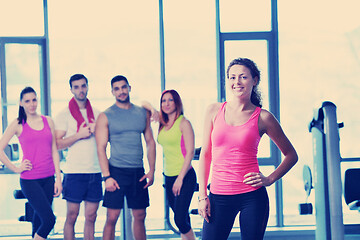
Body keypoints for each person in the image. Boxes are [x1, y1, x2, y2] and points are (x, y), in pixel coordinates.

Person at [198, 58, 298, 240]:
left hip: (252, 197)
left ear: (255, 80)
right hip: (218, 196)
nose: (237, 82)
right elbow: (205, 155)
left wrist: (269, 179)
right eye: (232, 77)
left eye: (243, 77)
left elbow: (291, 155)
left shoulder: (264, 118)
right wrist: (202, 196)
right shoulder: (213, 110)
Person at [95, 75, 156, 240]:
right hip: (116, 171)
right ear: (112, 92)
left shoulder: (142, 113)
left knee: (140, 215)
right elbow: (101, 148)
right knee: (112, 217)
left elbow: (150, 142)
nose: (121, 91)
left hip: (138, 171)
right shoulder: (106, 115)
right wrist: (107, 176)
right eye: (117, 89)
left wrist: (152, 171)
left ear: (129, 87)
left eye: (123, 87)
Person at [0, 87, 62, 240]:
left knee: (38, 221)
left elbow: (54, 150)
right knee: (49, 220)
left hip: (48, 179)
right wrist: (16, 168)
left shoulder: (48, 121)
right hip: (30, 180)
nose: (32, 104)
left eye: (34, 100)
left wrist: (58, 179)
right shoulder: (18, 124)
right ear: (21, 103)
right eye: (27, 101)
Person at [55, 74, 102, 240]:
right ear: (71, 89)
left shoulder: (97, 114)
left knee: (91, 217)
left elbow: (107, 142)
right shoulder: (64, 114)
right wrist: (79, 135)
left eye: (83, 86)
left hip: (95, 172)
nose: (81, 90)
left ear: (88, 86)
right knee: (72, 216)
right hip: (74, 172)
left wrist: (98, 131)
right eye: (76, 87)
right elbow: (57, 144)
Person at [157, 90, 197, 240]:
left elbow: (190, 152)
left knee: (179, 220)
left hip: (185, 176)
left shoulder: (184, 123)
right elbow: (145, 106)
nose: (166, 104)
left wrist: (180, 179)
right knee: (183, 217)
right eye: (163, 101)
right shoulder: (163, 124)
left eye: (170, 100)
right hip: (168, 176)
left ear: (177, 102)